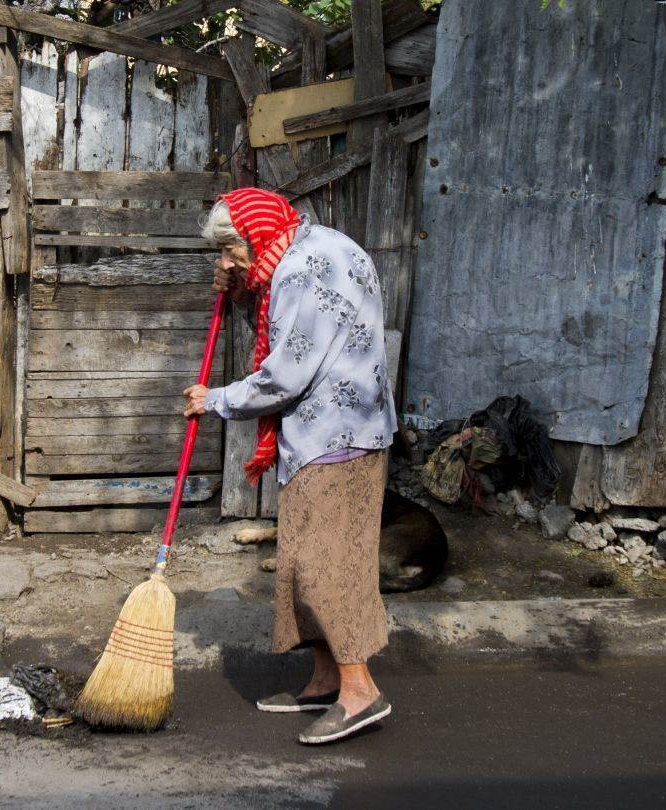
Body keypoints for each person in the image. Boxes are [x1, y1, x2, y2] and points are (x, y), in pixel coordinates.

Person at [184, 187, 397, 745]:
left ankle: (360, 692)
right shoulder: (306, 247)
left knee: (327, 569)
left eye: (230, 249)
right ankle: (326, 681)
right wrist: (238, 291)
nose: (227, 260)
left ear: (255, 235)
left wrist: (216, 400)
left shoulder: (304, 268)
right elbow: (283, 330)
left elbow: (285, 375)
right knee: (303, 564)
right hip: (331, 433)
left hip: (337, 436)